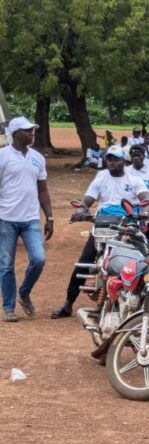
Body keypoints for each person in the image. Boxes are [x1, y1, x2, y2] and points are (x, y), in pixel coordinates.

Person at [51, 146, 149, 319]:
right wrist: (82, 210)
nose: (111, 162)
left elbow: (146, 198)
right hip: (102, 225)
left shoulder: (135, 180)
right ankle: (68, 304)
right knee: (84, 262)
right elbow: (88, 199)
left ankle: (140, 300)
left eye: (116, 159)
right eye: (109, 158)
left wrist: (145, 211)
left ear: (124, 162)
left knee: (137, 259)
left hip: (126, 226)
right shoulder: (101, 177)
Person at [0, 117, 53, 322]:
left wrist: (50, 217)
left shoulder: (38, 158)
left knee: (38, 259)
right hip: (6, 218)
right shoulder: (3, 156)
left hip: (30, 219)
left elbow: (43, 190)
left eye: (32, 130)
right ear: (15, 133)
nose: (31, 133)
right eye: (26, 130)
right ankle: (9, 307)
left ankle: (24, 292)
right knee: (6, 266)